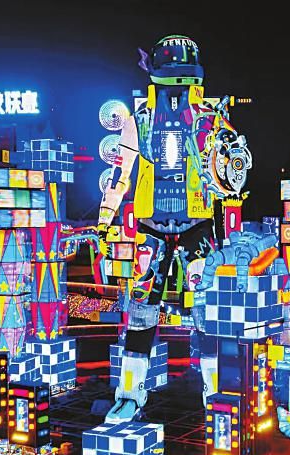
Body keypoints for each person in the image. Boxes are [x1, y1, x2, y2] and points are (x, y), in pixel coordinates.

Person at [97, 34, 252, 423]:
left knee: (205, 312)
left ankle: (215, 392)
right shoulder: (141, 121)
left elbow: (232, 176)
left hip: (195, 226)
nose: (176, 97)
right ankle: (130, 394)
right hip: (153, 228)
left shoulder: (210, 121)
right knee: (141, 312)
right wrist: (105, 218)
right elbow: (120, 173)